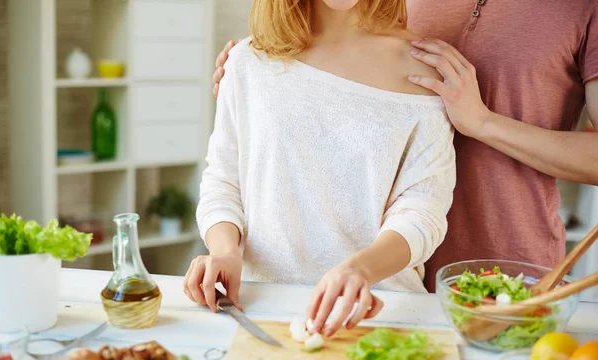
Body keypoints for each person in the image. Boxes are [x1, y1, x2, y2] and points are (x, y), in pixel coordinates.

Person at [213, 0, 598, 292]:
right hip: (391, 281)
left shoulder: (582, 8)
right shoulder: (253, 61)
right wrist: (251, 95)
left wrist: (483, 123)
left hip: (507, 261)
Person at [184, 0, 456, 336]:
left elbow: (422, 211)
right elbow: (224, 181)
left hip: (382, 315)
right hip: (259, 309)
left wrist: (361, 270)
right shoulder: (246, 61)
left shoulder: (423, 70)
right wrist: (225, 252)